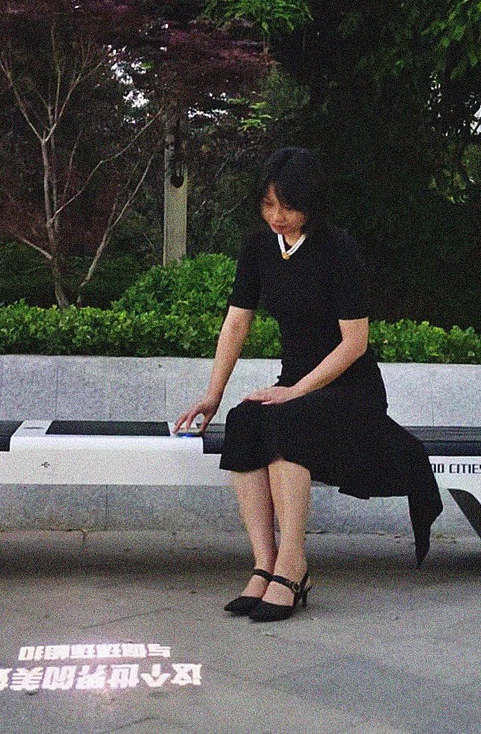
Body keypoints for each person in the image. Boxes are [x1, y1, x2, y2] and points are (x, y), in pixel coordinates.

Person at [175, 147, 442, 622]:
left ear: (311, 203)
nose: (276, 217)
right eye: (268, 205)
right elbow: (236, 324)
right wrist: (212, 396)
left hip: (351, 390)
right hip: (294, 385)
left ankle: (293, 566)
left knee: (286, 422)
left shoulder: (338, 247)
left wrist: (296, 392)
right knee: (243, 422)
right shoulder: (258, 249)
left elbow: (354, 343)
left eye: (287, 206)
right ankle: (264, 562)